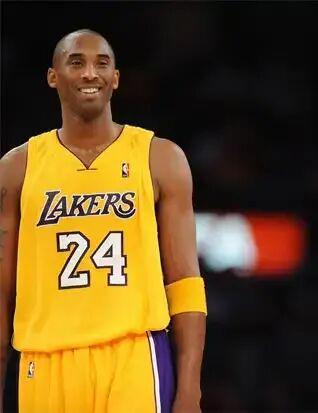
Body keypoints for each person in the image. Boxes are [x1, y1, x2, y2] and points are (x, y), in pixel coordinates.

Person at [0, 29, 207, 413]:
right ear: (53, 76)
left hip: (133, 355)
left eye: (102, 64)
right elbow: (2, 291)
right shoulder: (17, 168)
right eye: (76, 62)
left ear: (115, 78)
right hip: (44, 360)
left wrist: (190, 389)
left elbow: (185, 282)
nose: (90, 73)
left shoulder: (159, 157)